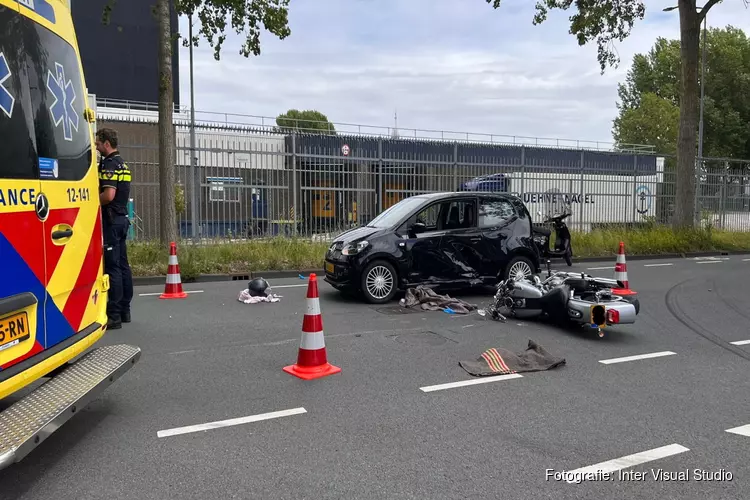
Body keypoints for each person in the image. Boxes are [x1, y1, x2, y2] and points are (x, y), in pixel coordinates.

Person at [96, 128, 133, 329]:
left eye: (98, 144)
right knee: (123, 264)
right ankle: (126, 310)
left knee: (113, 267)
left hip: (111, 220)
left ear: (107, 143)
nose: (97, 146)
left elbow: (108, 195)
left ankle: (115, 315)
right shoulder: (123, 164)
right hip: (122, 219)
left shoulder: (110, 164)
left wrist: (92, 201)